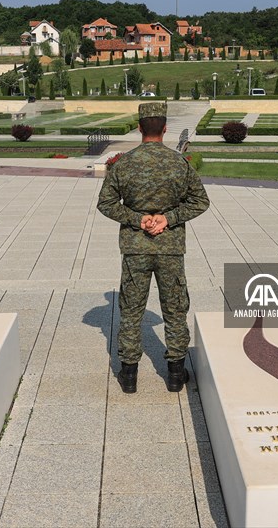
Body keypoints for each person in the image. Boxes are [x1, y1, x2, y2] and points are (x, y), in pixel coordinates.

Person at [96, 101, 210, 394]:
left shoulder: (123, 163)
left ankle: (129, 376)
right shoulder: (178, 163)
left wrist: (138, 219)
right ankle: (175, 374)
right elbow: (200, 201)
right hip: (170, 248)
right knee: (174, 309)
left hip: (136, 248)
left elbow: (106, 204)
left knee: (131, 310)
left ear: (139, 128)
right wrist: (168, 218)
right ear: (165, 129)